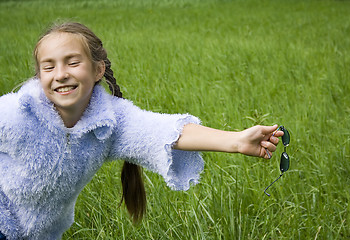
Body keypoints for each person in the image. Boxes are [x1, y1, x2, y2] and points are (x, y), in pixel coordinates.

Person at [0, 22, 282, 240]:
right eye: (49, 67)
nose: (60, 73)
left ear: (98, 70)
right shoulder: (17, 114)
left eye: (73, 62)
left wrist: (236, 140)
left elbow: (162, 131)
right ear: (39, 77)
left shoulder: (109, 121)